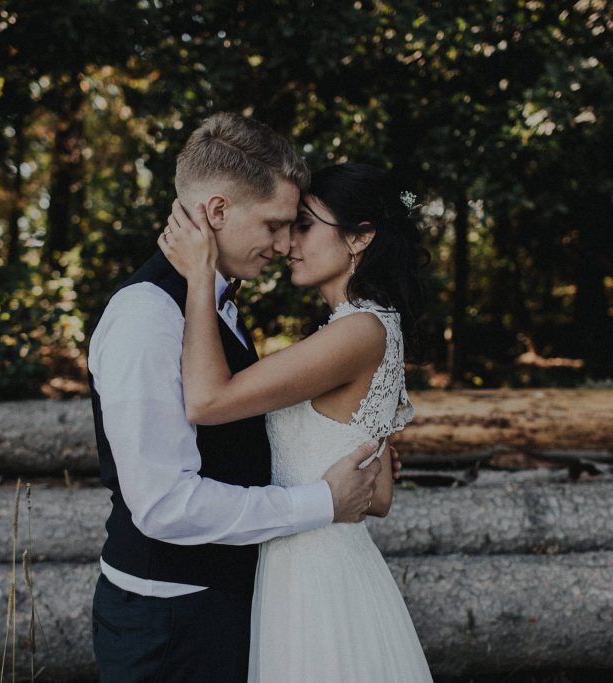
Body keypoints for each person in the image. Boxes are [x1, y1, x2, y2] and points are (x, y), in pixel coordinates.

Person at [87, 113, 388, 682]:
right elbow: (164, 506)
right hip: (167, 623)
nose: (284, 244)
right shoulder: (145, 316)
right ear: (218, 212)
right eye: (275, 224)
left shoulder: (214, 301)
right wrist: (320, 501)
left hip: (215, 605)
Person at [159, 161, 433, 682]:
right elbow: (378, 497)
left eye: (304, 225)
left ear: (359, 239)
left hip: (317, 578)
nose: (287, 244)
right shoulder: (373, 326)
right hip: (314, 563)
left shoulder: (357, 332)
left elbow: (208, 401)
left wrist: (200, 277)